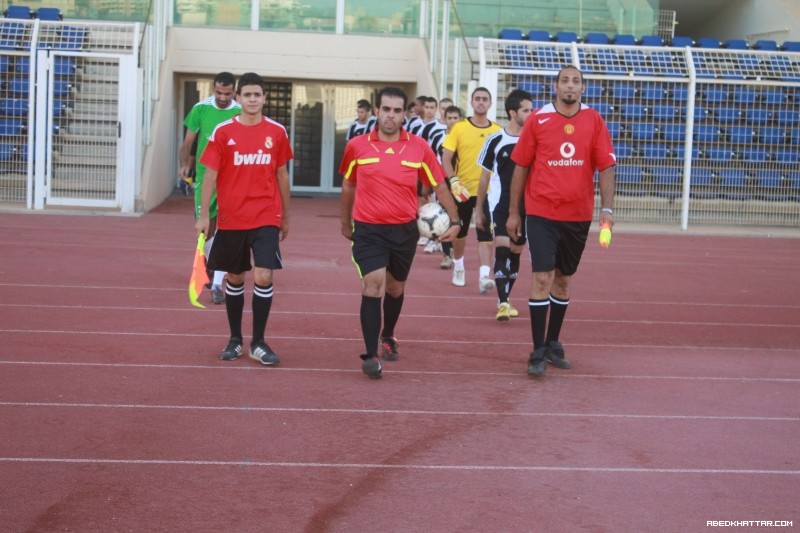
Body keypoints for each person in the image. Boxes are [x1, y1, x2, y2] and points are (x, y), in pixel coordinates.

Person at [339, 86, 461, 379]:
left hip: (404, 230)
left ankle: (388, 334)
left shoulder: (418, 147)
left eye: (396, 110)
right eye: (386, 109)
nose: (390, 116)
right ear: (377, 111)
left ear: (404, 114)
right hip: (368, 229)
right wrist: (345, 223)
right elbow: (348, 186)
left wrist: (456, 221)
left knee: (395, 288)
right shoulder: (357, 146)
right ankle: (369, 355)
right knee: (373, 284)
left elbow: (439, 185)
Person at [507, 65, 616, 377]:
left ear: (582, 88)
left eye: (576, 81)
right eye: (565, 81)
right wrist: (515, 213)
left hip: (578, 215)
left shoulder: (594, 120)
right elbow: (521, 166)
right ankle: (537, 350)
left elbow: (606, 167)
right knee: (542, 276)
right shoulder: (539, 120)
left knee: (563, 280)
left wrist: (607, 212)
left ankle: (553, 342)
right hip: (542, 213)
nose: (570, 86)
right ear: (556, 86)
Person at [194, 72, 293, 367]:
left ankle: (259, 342)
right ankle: (235, 339)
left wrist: (286, 216)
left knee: (264, 275)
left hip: (265, 215)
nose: (252, 99)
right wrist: (203, 216)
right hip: (231, 218)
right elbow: (209, 176)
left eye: (257, 95)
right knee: (235, 277)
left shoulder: (277, 132)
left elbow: (282, 175)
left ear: (264, 98)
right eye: (247, 94)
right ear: (238, 98)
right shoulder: (223, 132)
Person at [179, 72, 241, 305]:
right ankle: (208, 264)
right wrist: (185, 164)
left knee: (227, 228)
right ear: (213, 89)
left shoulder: (239, 111)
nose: (223, 97)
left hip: (231, 179)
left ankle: (217, 283)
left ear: (233, 91)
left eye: (227, 93)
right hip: (205, 177)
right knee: (206, 229)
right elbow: (188, 142)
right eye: (219, 93)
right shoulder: (200, 109)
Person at [475, 89, 533, 321]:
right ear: (512, 112)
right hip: (500, 204)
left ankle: (505, 296)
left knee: (516, 253)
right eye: (526, 110)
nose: (531, 113)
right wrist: (479, 209)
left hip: (527, 206)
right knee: (502, 249)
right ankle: (503, 302)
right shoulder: (496, 140)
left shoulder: (535, 140)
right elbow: (484, 177)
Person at [441, 87, 501, 291]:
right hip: (463, 190)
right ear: (472, 103)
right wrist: (453, 181)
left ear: (490, 104)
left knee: (486, 233)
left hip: (488, 192)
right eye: (477, 99)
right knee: (461, 232)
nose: (481, 102)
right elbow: (446, 158)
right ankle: (458, 265)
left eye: (485, 99)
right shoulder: (459, 128)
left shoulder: (497, 131)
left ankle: (484, 275)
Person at [429, 104, 463, 269]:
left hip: (461, 182)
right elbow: (432, 158)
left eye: (455, 118)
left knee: (458, 217)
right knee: (443, 218)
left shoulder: (464, 135)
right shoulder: (437, 136)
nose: (452, 121)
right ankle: (446, 255)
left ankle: (458, 256)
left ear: (460, 119)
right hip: (442, 181)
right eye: (449, 118)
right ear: (444, 119)